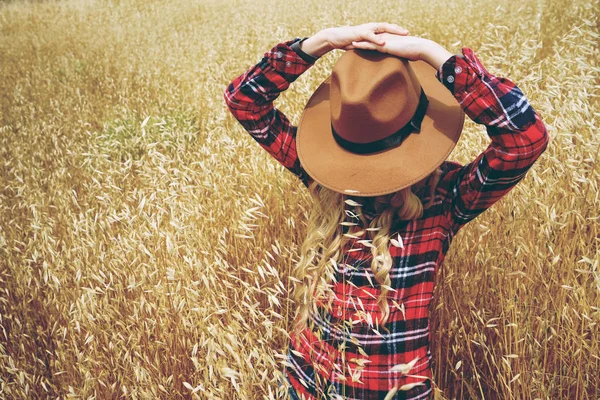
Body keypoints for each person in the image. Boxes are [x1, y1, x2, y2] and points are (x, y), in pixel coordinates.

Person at [224, 22, 549, 400]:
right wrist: (325, 40)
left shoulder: (441, 199)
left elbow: (525, 140)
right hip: (306, 385)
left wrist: (433, 53)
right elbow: (243, 101)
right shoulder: (330, 180)